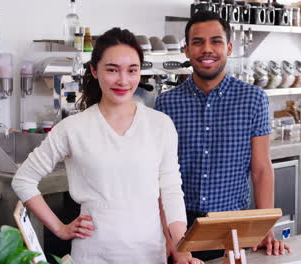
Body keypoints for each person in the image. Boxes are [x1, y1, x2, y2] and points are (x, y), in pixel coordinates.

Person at [12, 27, 201, 264]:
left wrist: (181, 247)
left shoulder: (160, 125)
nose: (123, 80)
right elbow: (23, 180)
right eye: (112, 70)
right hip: (94, 255)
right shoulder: (73, 128)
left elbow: (171, 191)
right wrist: (59, 229)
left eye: (132, 70)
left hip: (149, 254)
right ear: (94, 70)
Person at [155, 11, 291, 261]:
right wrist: (167, 237)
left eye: (216, 41)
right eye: (197, 42)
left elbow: (261, 169)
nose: (207, 49)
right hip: (180, 226)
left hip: (232, 227)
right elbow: (158, 177)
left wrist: (264, 226)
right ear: (186, 50)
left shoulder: (253, 99)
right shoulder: (166, 103)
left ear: (229, 47)